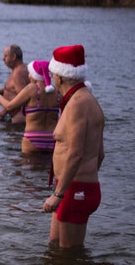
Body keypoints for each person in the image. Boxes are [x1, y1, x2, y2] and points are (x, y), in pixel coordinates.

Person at [42, 44, 105, 248]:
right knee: (54, 246)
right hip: (73, 186)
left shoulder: (78, 104)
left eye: (52, 75)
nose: (51, 79)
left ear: (60, 77)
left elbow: (76, 153)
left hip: (75, 189)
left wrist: (59, 194)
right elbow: (100, 154)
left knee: (69, 256)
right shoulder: (82, 99)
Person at [0, 59, 59, 155]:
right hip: (52, 139)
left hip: (33, 139)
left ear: (35, 76)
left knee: (26, 168)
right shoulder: (56, 91)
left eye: (30, 73)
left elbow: (9, 106)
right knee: (46, 168)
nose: (28, 76)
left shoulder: (31, 88)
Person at [0, 44, 31, 124]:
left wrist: (5, 108)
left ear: (13, 57)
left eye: (6, 56)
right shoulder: (23, 68)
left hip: (17, 120)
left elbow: (23, 98)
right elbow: (12, 89)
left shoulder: (18, 73)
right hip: (13, 118)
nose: (3, 59)